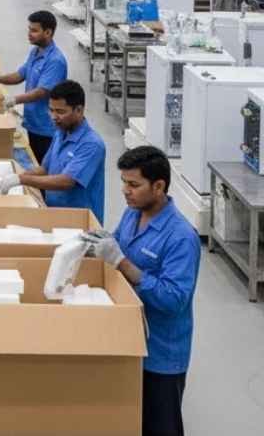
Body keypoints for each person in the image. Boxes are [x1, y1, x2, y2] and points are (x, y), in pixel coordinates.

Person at [83, 146, 200, 436]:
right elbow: (118, 242)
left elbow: (174, 299)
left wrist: (121, 262)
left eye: (134, 185)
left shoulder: (181, 237)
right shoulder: (132, 214)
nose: (125, 191)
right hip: (128, 338)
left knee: (160, 426)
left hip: (161, 352)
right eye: (124, 182)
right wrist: (98, 243)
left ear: (158, 186)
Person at [0, 80, 106, 222]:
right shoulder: (60, 132)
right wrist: (16, 176)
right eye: (51, 110)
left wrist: (23, 179)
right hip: (55, 213)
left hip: (79, 221)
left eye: (60, 112)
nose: (54, 117)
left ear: (79, 110)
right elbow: (45, 168)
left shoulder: (92, 145)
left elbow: (66, 182)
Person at [0, 11, 67, 164]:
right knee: (35, 160)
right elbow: (20, 75)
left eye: (34, 30)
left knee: (44, 166)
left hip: (46, 128)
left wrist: (14, 100)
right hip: (33, 124)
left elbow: (42, 91)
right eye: (29, 29)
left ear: (48, 32)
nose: (29, 34)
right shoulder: (36, 52)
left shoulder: (55, 61)